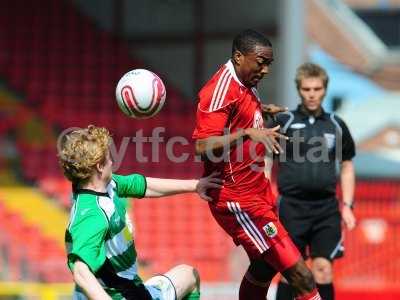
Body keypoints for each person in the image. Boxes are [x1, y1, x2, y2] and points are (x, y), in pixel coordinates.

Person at [192, 29, 321, 300]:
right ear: (239, 57)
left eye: (268, 64)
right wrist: (247, 133)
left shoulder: (245, 82)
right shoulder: (219, 90)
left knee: (263, 267)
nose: (265, 70)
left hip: (257, 192)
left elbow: (235, 115)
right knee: (302, 276)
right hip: (238, 199)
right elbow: (202, 146)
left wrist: (260, 112)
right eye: (260, 62)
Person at [59, 125, 222, 300]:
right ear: (99, 166)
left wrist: (195, 185)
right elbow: (80, 271)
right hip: (125, 295)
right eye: (108, 158)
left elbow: (142, 185)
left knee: (188, 275)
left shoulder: (105, 186)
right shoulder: (93, 215)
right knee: (189, 277)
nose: (112, 162)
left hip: (128, 288)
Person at [272, 63, 356, 300]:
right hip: (290, 207)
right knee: (291, 271)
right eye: (306, 89)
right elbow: (266, 159)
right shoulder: (284, 121)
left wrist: (348, 205)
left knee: (323, 269)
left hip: (326, 209)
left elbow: (347, 165)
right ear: (299, 89)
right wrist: (266, 196)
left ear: (325, 90)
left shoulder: (336, 124)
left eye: (317, 89)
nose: (312, 94)